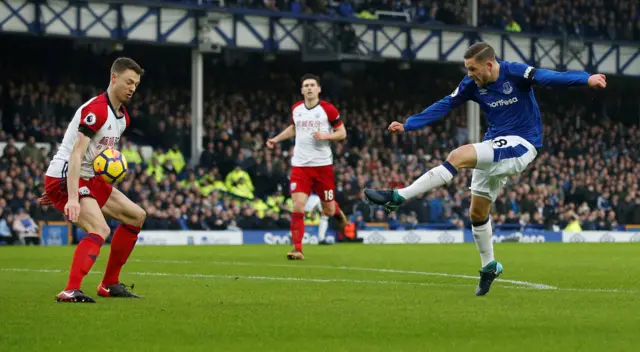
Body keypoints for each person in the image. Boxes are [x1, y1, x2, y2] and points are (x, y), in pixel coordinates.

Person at [364, 42, 606, 296]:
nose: (469, 74)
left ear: (489, 64)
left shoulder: (515, 73)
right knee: (477, 213)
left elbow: (547, 77)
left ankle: (398, 196)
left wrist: (585, 79)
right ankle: (489, 266)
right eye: (467, 69)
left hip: (522, 144)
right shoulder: (471, 84)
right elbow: (446, 103)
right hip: (494, 144)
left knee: (457, 155)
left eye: (472, 69)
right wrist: (409, 124)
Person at [39, 57, 147, 303]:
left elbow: (97, 158)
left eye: (136, 84)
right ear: (114, 78)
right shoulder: (96, 110)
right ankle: (70, 290)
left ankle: (109, 284)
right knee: (99, 228)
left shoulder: (122, 118)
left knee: (136, 216)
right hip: (68, 175)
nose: (132, 88)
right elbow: (76, 154)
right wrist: (71, 196)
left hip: (86, 177)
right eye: (129, 82)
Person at [266, 74, 349, 260]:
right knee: (298, 206)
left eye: (312, 85)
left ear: (319, 89)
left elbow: (342, 133)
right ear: (302, 90)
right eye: (306, 85)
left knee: (327, 210)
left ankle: (336, 210)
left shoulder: (328, 109)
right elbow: (294, 128)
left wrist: (326, 136)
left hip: (323, 166)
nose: (309, 88)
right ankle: (297, 249)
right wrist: (276, 139)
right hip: (300, 166)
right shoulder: (296, 109)